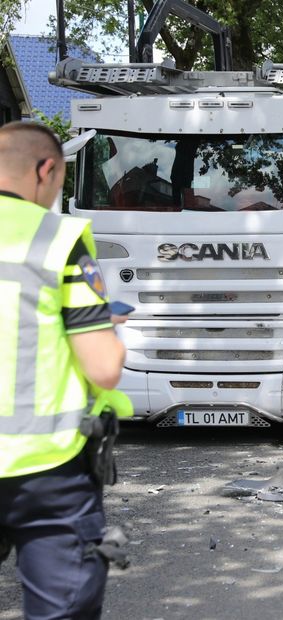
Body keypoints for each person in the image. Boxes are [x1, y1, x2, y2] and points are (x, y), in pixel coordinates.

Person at [0, 121, 129, 619]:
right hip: (47, 472)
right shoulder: (57, 238)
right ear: (46, 170)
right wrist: (100, 321)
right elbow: (103, 369)